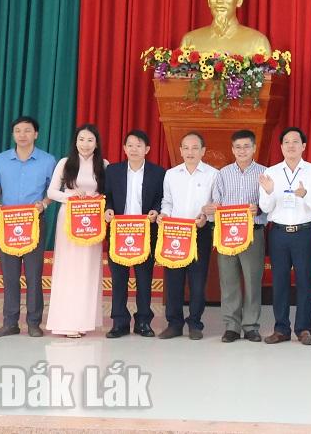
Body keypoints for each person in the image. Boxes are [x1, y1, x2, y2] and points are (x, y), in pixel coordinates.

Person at [0, 116, 56, 338]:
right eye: (18, 131)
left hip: (34, 223)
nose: (22, 135)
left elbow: (53, 191)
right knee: (10, 275)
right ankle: (10, 323)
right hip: (8, 223)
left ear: (36, 134)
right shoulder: (1, 160)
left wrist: (44, 203)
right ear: (13, 134)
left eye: (27, 130)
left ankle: (34, 322)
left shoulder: (48, 160)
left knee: (34, 275)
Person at [259, 127, 311, 345]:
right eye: (286, 142)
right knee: (279, 281)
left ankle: (304, 329)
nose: (291, 146)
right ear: (281, 147)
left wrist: (305, 194)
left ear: (303, 146)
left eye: (295, 142)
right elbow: (265, 207)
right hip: (279, 233)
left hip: (304, 233)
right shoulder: (271, 172)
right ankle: (281, 329)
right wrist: (269, 191)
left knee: (304, 281)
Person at [45, 124, 109, 337]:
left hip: (92, 221)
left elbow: (108, 193)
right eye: (81, 139)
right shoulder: (65, 163)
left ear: (96, 143)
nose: (85, 144)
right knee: (68, 267)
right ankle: (65, 322)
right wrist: (70, 196)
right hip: (69, 219)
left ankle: (84, 322)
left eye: (90, 140)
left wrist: (98, 198)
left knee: (88, 268)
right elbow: (52, 192)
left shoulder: (104, 165)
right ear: (75, 142)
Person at [103, 129, 164, 338]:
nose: (134, 149)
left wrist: (156, 210)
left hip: (145, 232)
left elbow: (161, 198)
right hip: (119, 232)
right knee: (118, 279)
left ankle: (143, 321)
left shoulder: (158, 172)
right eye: (130, 145)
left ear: (147, 149)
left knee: (144, 279)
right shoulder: (113, 171)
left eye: (139, 145)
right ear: (124, 148)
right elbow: (107, 196)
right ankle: (119, 322)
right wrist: (108, 209)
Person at [208, 129, 266, 343]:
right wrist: (214, 209)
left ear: (254, 148)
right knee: (228, 280)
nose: (242, 151)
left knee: (252, 280)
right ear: (232, 149)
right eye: (238, 147)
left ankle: (251, 326)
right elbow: (216, 202)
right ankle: (231, 326)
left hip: (253, 233)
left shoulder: (264, 173)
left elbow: (271, 204)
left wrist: (259, 209)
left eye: (246, 146)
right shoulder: (222, 174)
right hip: (226, 234)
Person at [158, 131, 218, 340]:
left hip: (200, 231)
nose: (190, 152)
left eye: (195, 148)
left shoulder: (213, 174)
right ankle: (174, 324)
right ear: (181, 151)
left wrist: (206, 217)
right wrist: (164, 215)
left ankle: (195, 324)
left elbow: (215, 205)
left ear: (203, 151)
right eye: (186, 148)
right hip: (174, 232)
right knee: (174, 281)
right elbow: (167, 202)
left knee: (197, 281)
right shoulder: (171, 174)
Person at [180, 0, 272, 56]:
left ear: (239, 0)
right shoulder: (190, 41)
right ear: (208, 1)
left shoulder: (258, 43)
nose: (219, 1)